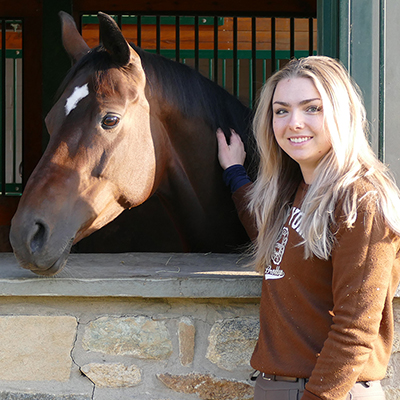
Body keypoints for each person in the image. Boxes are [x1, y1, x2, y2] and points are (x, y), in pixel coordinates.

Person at [216, 56, 400, 400]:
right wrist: (235, 174)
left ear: (341, 115)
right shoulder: (294, 192)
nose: (294, 123)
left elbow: (355, 329)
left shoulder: (360, 201)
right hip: (279, 388)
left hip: (327, 392)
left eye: (312, 108)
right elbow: (271, 234)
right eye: (281, 111)